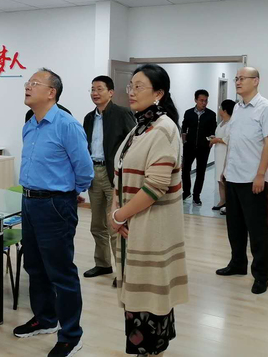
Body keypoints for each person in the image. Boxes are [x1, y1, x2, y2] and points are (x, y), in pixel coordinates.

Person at [110, 64, 189, 357]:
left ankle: (152, 352)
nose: (131, 92)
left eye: (138, 86)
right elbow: (121, 174)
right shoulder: (140, 127)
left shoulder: (164, 128)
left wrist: (119, 215)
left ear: (158, 93)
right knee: (139, 302)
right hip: (132, 226)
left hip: (150, 228)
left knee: (149, 303)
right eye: (130, 86)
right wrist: (116, 210)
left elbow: (155, 186)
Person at [14, 68, 93, 357]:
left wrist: (70, 194)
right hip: (29, 201)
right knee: (34, 266)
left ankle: (71, 335)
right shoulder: (30, 125)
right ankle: (45, 318)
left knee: (61, 272)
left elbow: (84, 169)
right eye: (28, 82)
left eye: (35, 83)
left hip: (55, 205)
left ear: (51, 92)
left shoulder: (67, 125)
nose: (28, 86)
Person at [216, 67, 268, 295]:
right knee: (235, 227)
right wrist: (225, 170)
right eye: (236, 78)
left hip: (253, 180)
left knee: (257, 230)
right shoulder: (238, 108)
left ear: (256, 81)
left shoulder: (266, 108)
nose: (238, 82)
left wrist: (260, 175)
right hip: (233, 177)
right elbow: (233, 141)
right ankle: (237, 263)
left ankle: (261, 276)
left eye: (242, 78)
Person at [82, 75, 135, 285]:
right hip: (93, 173)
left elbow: (133, 143)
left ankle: (123, 271)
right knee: (97, 224)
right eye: (92, 89)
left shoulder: (122, 114)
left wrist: (124, 171)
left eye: (99, 89)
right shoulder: (88, 118)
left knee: (115, 224)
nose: (95, 93)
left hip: (113, 174)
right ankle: (103, 263)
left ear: (110, 93)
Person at [181, 89, 216, 205]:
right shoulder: (188, 113)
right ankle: (186, 192)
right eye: (201, 100)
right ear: (195, 100)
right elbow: (184, 128)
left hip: (203, 148)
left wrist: (209, 143)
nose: (204, 103)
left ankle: (197, 195)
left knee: (201, 172)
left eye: (206, 101)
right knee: (185, 170)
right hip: (189, 146)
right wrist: (184, 141)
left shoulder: (211, 114)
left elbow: (213, 131)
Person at [210, 99, 236, 215]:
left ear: (225, 110)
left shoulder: (231, 123)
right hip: (218, 152)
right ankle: (222, 201)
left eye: (220, 108)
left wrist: (217, 140)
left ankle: (229, 204)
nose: (219, 109)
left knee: (224, 179)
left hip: (225, 153)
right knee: (219, 179)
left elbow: (228, 139)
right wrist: (214, 138)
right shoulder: (222, 122)